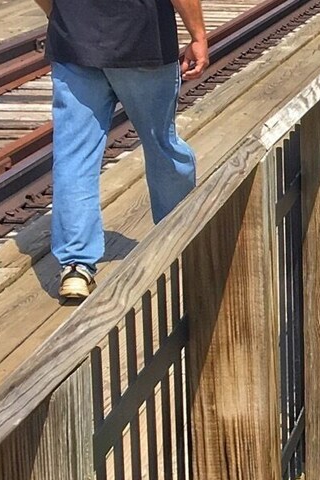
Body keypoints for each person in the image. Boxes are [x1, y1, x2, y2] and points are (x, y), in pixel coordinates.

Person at [33, 0, 209, 299]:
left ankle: (76, 265)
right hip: (143, 42)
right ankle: (177, 238)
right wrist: (198, 36)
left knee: (75, 156)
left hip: (74, 44)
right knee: (161, 145)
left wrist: (60, 13)